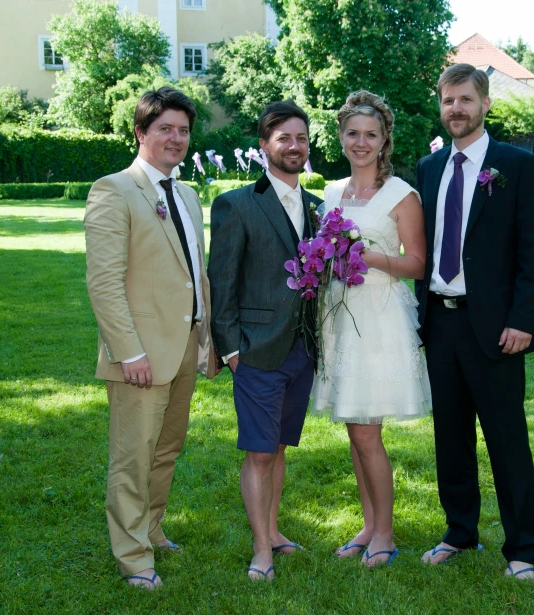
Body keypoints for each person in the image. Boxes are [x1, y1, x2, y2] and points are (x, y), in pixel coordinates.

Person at [415, 64, 534, 580]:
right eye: (448, 100)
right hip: (441, 324)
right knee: (449, 437)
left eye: (466, 99)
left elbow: (532, 253)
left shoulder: (515, 165)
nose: (456, 109)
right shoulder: (429, 168)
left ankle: (523, 548)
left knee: (506, 439)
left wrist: (523, 320)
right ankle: (459, 532)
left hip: (496, 328)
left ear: (486, 103)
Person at [84, 87, 219, 590]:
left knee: (167, 449)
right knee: (132, 456)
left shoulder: (185, 193)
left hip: (185, 344)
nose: (176, 138)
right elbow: (104, 281)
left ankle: (152, 528)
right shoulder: (113, 189)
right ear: (141, 132)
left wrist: (206, 339)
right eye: (165, 128)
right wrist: (129, 351)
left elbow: (194, 274)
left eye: (183, 130)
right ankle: (133, 556)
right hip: (139, 352)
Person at [311, 90, 432, 567]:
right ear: (341, 137)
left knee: (367, 434)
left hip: (380, 323)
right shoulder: (332, 193)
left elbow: (418, 263)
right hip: (340, 318)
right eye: (353, 134)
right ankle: (368, 523)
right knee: (354, 428)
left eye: (371, 135)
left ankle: (384, 533)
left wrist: (364, 257)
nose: (361, 142)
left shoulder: (402, 194)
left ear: (384, 141)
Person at [208, 100, 323, 582]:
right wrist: (231, 348)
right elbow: (222, 279)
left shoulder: (318, 209)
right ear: (264, 146)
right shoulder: (238, 204)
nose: (293, 146)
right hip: (255, 350)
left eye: (300, 138)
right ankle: (261, 550)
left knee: (277, 448)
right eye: (283, 138)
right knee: (258, 450)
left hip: (302, 350)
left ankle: (273, 530)